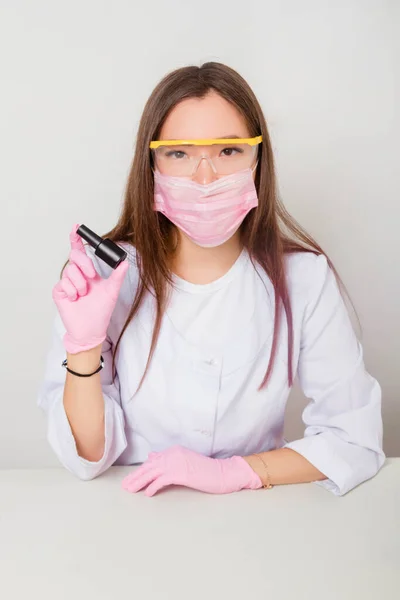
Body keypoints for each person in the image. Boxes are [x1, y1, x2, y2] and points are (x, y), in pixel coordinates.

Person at [38, 62, 385, 497]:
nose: (205, 177)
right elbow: (87, 457)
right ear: (152, 164)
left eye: (228, 152)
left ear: (258, 158)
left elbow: (354, 439)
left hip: (253, 520)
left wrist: (234, 473)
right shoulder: (106, 278)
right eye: (179, 154)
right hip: (131, 510)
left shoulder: (304, 278)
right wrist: (84, 348)